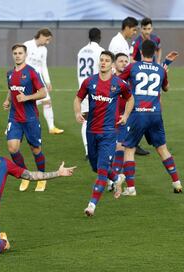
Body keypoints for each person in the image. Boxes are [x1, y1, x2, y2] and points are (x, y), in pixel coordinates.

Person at [116, 40, 182, 197]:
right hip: (155, 114)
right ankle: (177, 183)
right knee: (162, 148)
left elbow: (119, 81)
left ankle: (131, 188)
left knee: (129, 148)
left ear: (139, 52)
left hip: (138, 113)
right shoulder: (160, 69)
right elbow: (166, 88)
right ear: (154, 53)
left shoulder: (133, 67)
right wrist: (164, 67)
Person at [73, 50, 135, 216]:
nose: (103, 63)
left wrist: (126, 115)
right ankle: (117, 178)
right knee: (95, 166)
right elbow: (77, 98)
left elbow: (130, 99)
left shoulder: (119, 84)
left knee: (101, 170)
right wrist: (77, 112)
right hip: (91, 130)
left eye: (107, 60)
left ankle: (91, 205)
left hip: (109, 132)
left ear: (112, 64)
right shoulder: (89, 82)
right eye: (101, 60)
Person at [3, 44, 48, 192]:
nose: (17, 55)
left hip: (30, 118)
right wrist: (8, 101)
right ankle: (25, 175)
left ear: (25, 54)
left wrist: (27, 97)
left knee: (35, 149)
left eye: (20, 53)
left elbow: (43, 93)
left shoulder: (32, 72)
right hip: (15, 118)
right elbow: (11, 90)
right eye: (15, 53)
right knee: (12, 148)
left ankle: (41, 177)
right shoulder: (9, 74)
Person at [108, 16, 150, 156]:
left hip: (122, 82)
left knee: (129, 113)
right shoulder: (117, 43)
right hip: (119, 83)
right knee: (127, 113)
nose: (134, 33)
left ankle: (130, 142)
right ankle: (127, 143)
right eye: (133, 30)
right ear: (127, 27)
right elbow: (114, 65)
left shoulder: (122, 42)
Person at [24, 28, 64, 135]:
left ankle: (51, 128)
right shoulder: (27, 45)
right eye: (47, 39)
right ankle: (13, 125)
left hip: (38, 79)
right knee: (24, 104)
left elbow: (43, 66)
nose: (47, 42)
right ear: (41, 35)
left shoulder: (44, 50)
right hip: (27, 79)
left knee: (47, 101)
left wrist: (48, 81)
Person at [77, 28, 105, 160]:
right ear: (99, 37)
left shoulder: (81, 51)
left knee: (86, 120)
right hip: (96, 89)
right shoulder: (100, 51)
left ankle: (88, 150)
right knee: (100, 119)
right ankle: (99, 148)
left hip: (83, 88)